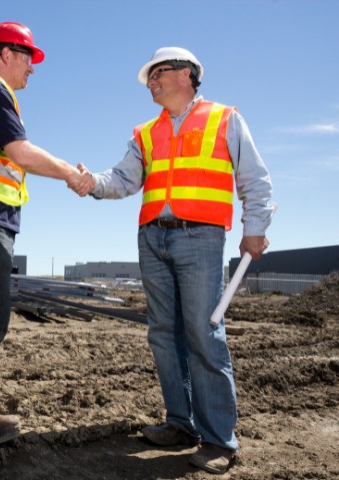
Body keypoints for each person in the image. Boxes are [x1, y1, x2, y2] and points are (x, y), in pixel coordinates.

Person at [79, 47, 274, 474]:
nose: (151, 83)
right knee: (164, 335)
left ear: (186, 74)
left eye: (157, 74)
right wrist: (91, 181)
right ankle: (180, 423)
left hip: (200, 238)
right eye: (150, 77)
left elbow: (254, 179)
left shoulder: (225, 119)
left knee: (205, 335)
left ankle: (219, 439)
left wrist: (254, 227)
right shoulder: (146, 133)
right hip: (152, 238)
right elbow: (124, 178)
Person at [0, 21, 94, 449]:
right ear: (5, 55)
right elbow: (20, 153)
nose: (32, 67)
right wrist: (69, 173)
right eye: (27, 57)